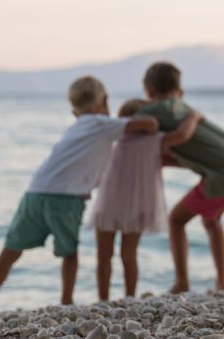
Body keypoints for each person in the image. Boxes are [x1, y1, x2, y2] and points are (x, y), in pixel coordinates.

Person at [0, 76, 158, 311]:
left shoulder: (77, 126)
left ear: (74, 110)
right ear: (105, 100)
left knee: (11, 249)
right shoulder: (102, 123)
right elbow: (149, 125)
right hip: (66, 198)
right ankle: (66, 301)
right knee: (69, 253)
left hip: (34, 192)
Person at [137, 62, 224, 293]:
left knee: (176, 220)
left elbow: (131, 128)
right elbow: (194, 154)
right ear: (180, 91)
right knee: (211, 220)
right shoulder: (182, 108)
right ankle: (223, 282)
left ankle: (182, 283)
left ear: (149, 92)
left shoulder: (151, 112)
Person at [89, 98, 203, 301]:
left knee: (103, 256)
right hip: (136, 207)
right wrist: (193, 116)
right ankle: (130, 297)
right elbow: (181, 136)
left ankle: (103, 300)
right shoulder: (155, 141)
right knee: (129, 255)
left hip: (108, 203)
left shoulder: (114, 142)